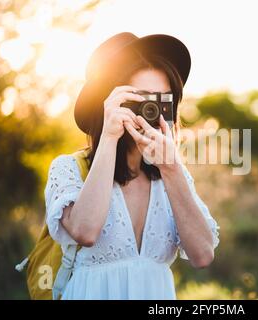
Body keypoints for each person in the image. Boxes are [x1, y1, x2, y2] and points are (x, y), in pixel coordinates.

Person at [44, 32, 220, 299]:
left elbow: (203, 255)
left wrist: (171, 168)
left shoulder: (173, 175)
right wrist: (110, 137)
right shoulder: (68, 168)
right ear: (112, 104)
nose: (152, 111)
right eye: (141, 99)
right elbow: (85, 232)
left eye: (162, 100)